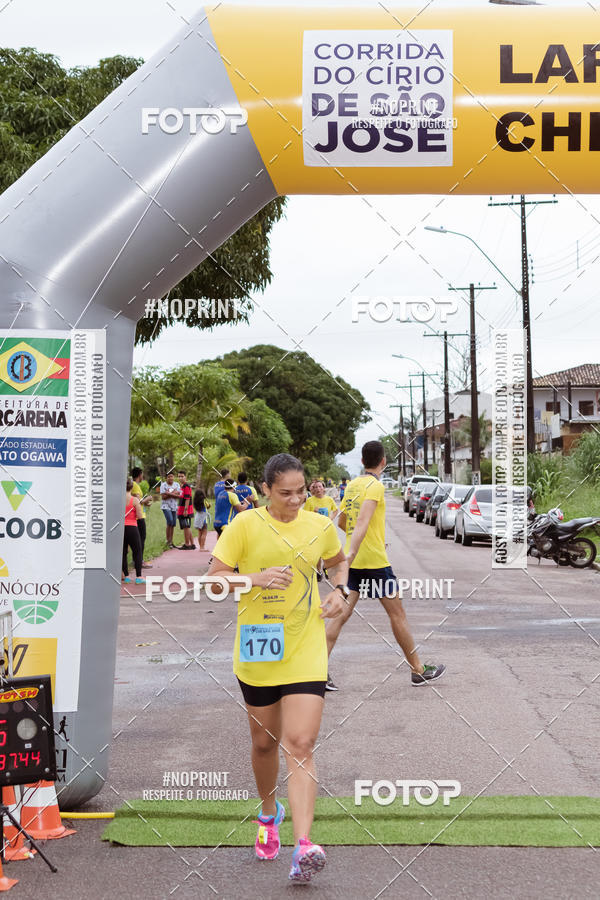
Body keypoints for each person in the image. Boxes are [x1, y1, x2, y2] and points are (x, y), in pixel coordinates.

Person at [207, 453, 348, 883]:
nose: (295, 500)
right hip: (259, 647)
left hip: (305, 645)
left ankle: (303, 846)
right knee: (265, 744)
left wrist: (340, 590)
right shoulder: (244, 525)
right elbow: (213, 580)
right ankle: (269, 815)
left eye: (301, 491)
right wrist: (253, 579)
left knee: (300, 743)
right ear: (266, 489)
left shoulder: (319, 525)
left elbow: (338, 561)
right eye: (285, 493)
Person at [325, 440, 445, 691]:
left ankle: (317, 672)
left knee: (341, 615)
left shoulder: (353, 485)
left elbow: (343, 522)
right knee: (397, 615)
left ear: (362, 461)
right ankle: (418, 670)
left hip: (353, 563)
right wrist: (363, 547)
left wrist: (353, 551)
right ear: (383, 462)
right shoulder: (375, 486)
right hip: (374, 562)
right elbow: (362, 522)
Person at [123, 477, 145, 585]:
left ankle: (126, 576)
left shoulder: (119, 500)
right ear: (132, 487)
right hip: (132, 527)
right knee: (137, 551)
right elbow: (140, 516)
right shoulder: (135, 500)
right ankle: (139, 577)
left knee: (123, 552)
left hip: (121, 528)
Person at [131, 467, 153, 568]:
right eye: (142, 474)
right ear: (140, 474)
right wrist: (148, 498)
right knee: (141, 539)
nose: (142, 476)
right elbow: (139, 501)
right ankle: (139, 561)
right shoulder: (135, 485)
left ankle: (136, 560)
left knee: (139, 539)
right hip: (138, 517)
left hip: (139, 515)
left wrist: (146, 503)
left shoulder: (135, 485)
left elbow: (138, 501)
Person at [160, 472, 180, 548]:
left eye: (172, 476)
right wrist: (173, 493)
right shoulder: (163, 485)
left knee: (173, 524)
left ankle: (171, 541)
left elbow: (178, 495)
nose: (170, 478)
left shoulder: (177, 484)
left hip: (174, 507)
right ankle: (168, 541)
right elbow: (163, 497)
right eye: (169, 477)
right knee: (170, 521)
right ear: (166, 478)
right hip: (165, 506)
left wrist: (168, 493)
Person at [176, 470, 195, 550]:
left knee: (185, 527)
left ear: (185, 477)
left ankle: (187, 544)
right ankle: (192, 544)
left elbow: (187, 498)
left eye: (182, 476)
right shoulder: (182, 486)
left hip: (185, 510)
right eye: (179, 476)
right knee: (187, 526)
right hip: (181, 509)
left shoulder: (186, 486)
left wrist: (185, 510)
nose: (180, 478)